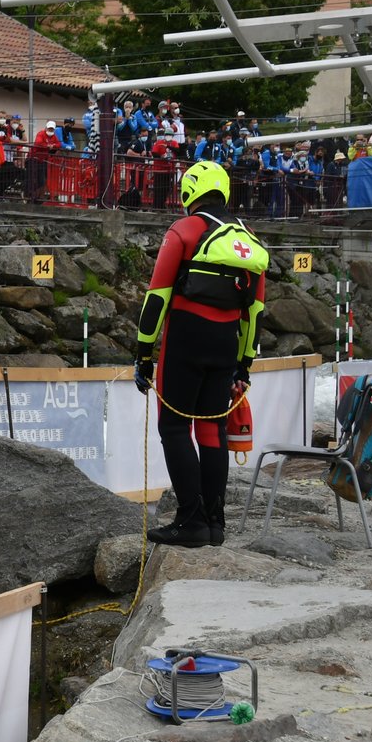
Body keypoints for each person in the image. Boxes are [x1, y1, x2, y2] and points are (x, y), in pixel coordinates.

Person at [133, 161, 267, 547]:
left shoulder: (185, 230)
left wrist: (143, 352)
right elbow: (254, 313)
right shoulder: (248, 238)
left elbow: (156, 297)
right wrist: (244, 365)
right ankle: (215, 522)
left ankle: (190, 522)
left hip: (186, 340)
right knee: (210, 429)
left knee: (174, 428)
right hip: (226, 344)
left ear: (190, 191)